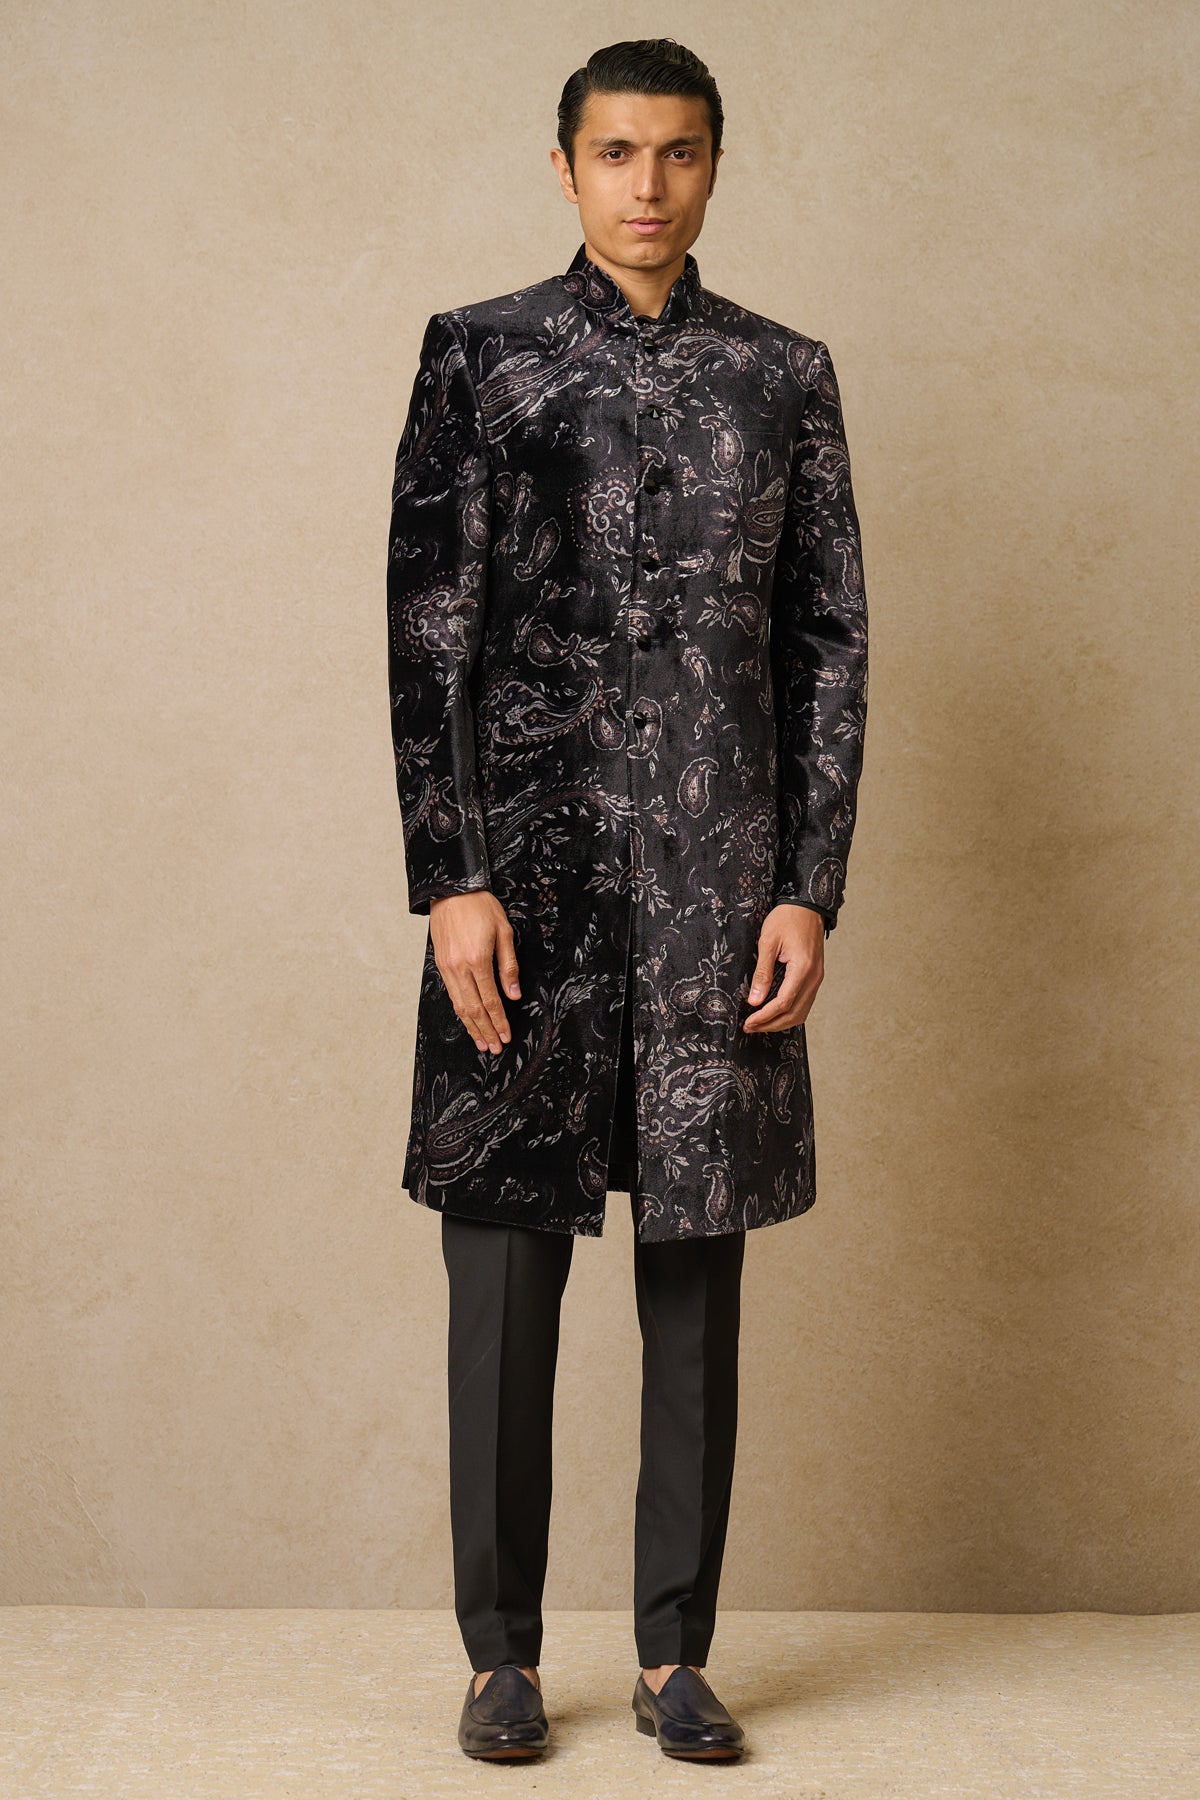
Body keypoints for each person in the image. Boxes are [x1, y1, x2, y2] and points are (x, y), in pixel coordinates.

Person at [385, 37, 868, 1763]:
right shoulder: (483, 358)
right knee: (504, 1280)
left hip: (717, 893)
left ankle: (675, 1657)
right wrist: (451, 876)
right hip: (528, 888)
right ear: (566, 166)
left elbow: (825, 647)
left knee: (695, 1279)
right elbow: (429, 634)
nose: (646, 184)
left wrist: (807, 886)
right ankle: (499, 1656)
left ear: (714, 166)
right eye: (615, 152)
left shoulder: (783, 377)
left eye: (676, 153)